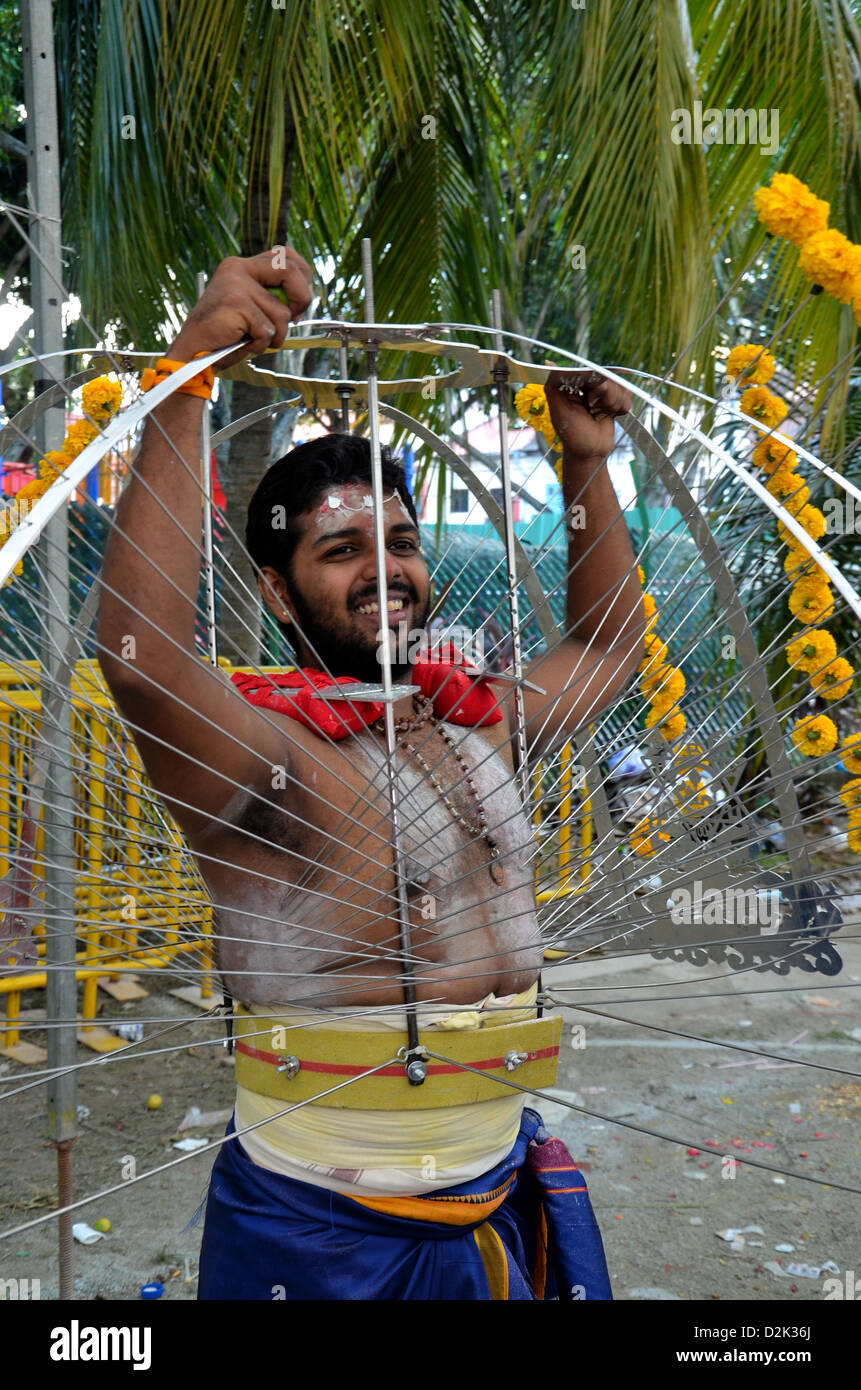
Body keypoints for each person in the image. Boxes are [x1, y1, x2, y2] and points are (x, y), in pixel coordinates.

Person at [96, 246, 643, 1300]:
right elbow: (142, 658)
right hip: (324, 1235)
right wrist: (187, 377)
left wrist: (587, 464)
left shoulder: (474, 722)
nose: (386, 571)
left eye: (399, 540)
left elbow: (611, 647)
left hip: (496, 1188)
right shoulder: (268, 760)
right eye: (342, 550)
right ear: (279, 589)